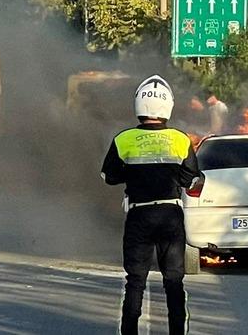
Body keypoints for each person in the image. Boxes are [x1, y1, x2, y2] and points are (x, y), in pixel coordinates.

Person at [101, 75, 201, 335]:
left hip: (139, 215)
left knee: (135, 281)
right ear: (168, 104)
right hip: (171, 215)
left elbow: (109, 176)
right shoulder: (180, 139)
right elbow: (191, 177)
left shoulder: (124, 139)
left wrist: (134, 174)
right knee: (174, 281)